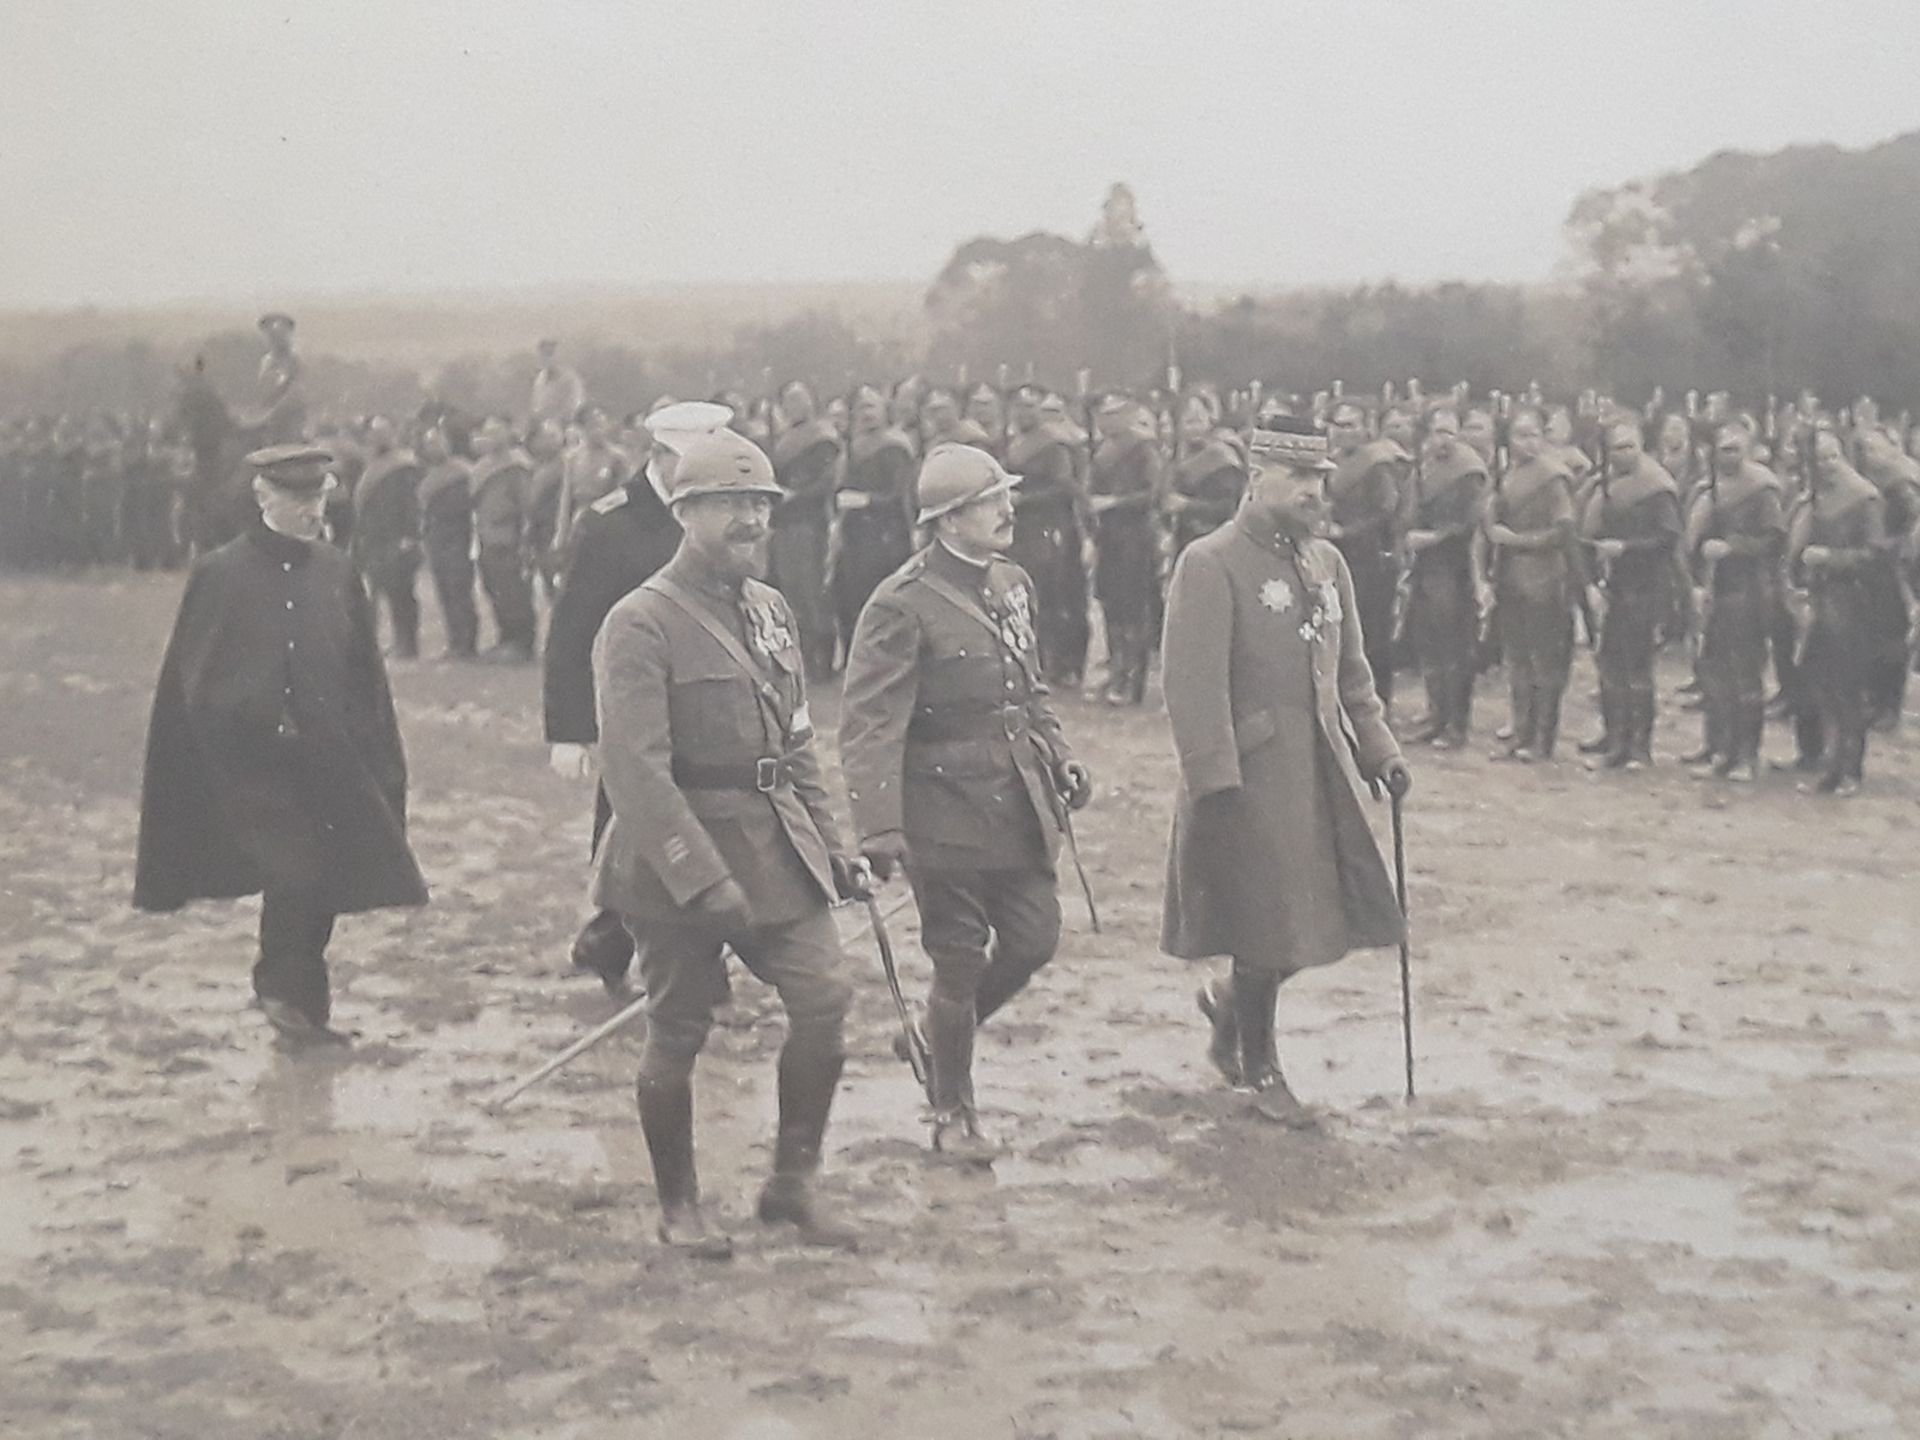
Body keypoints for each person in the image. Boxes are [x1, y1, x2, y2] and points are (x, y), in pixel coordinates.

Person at [592, 429, 866, 1256]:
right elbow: (635, 772)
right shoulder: (639, 622)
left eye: (761, 505)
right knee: (678, 1028)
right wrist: (699, 879)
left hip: (775, 853)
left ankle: (790, 1186)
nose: (750, 520)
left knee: (823, 1000)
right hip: (676, 865)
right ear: (684, 511)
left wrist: (830, 846)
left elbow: (797, 747)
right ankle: (679, 1205)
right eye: (730, 504)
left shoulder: (771, 609)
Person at [840, 442, 1091, 1163]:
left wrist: (1062, 754)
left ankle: (931, 1040)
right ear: (947, 520)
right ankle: (952, 1112)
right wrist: (880, 827)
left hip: (1018, 799)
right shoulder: (902, 604)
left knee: (1035, 940)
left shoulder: (1012, 583)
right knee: (957, 960)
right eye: (989, 501)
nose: (1008, 509)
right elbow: (870, 723)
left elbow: (1030, 687)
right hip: (941, 809)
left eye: (1005, 495)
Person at [1160, 418, 1411, 1125]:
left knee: (1317, 916)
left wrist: (1380, 751)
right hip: (1250, 775)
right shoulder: (1210, 563)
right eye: (1296, 476)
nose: (1312, 491)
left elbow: (1352, 675)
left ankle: (1231, 1009)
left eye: (1320, 478)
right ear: (1255, 477)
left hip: (1320, 771)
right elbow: (1191, 686)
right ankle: (1258, 1066)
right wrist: (1214, 783)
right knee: (1267, 922)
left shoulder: (1328, 564)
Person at [133, 443, 428, 1041]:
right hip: (251, 765)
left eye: (318, 496)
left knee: (324, 875)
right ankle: (283, 992)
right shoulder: (221, 572)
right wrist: (252, 716)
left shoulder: (336, 570)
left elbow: (359, 664)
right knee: (294, 869)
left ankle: (299, 1001)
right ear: (264, 496)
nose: (311, 509)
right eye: (297, 497)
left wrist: (369, 744)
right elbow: (197, 672)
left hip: (328, 754)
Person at [545, 400, 731, 992]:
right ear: (661, 456)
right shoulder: (610, 524)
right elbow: (572, 628)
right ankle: (610, 940)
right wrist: (569, 730)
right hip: (632, 714)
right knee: (628, 833)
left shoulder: (721, 516)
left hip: (707, 709)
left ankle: (680, 955)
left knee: (712, 827)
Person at [1786, 427, 1895, 794]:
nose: (1827, 465)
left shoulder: (1865, 498)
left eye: (1833, 456)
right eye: (1820, 459)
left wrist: (1831, 558)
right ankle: (1831, 766)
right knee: (1823, 687)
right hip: (1819, 599)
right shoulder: (1813, 496)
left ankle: (1851, 770)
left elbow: (1877, 554)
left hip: (1854, 602)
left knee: (1848, 689)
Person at [1681, 423, 1784, 782]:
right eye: (1723, 448)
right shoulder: (1706, 488)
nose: (1729, 455)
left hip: (1749, 592)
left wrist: (1733, 548)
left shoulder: (1762, 490)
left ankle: (1744, 755)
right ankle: (1717, 746)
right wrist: (1695, 582)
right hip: (1715, 593)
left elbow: (1774, 540)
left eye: (1736, 448)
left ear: (1749, 450)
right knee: (1713, 674)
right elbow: (1693, 540)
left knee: (1745, 678)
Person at [1578, 417, 1682, 770]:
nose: (1622, 453)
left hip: (1646, 585)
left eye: (1629, 446)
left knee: (1637, 668)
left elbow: (1668, 538)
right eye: (1616, 447)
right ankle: (1614, 735)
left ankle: (1639, 746)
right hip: (1614, 587)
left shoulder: (1656, 487)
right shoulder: (1603, 483)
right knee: (1609, 665)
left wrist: (1626, 548)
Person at [1482, 407, 1580, 761]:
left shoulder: (1553, 477)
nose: (1528, 442)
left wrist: (1516, 540)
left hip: (1545, 577)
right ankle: (1521, 733)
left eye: (1534, 434)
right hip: (1512, 580)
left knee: (1544, 665)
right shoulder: (1509, 474)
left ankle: (1542, 740)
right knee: (1518, 663)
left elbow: (1564, 531)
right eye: (1521, 435)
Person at [1405, 409, 1490, 748]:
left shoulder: (1468, 473)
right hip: (1425, 568)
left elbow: (1470, 525)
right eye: (1438, 432)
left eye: (1450, 432)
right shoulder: (1424, 468)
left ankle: (1456, 725)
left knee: (1455, 650)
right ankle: (1435, 716)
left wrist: (1433, 538)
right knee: (1431, 648)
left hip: (1454, 567)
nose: (1444, 439)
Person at [1325, 402, 1410, 714]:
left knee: (1373, 636)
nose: (1344, 432)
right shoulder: (1332, 463)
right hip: (1339, 556)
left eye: (1351, 425)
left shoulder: (1376, 463)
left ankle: (1378, 706)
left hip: (1372, 558)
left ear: (1365, 429)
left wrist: (1346, 531)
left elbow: (1386, 510)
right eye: (1339, 425)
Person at [1005, 383, 1090, 687]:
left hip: (1051, 524)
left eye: (1029, 406)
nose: (1023, 412)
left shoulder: (1054, 444)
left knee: (1053, 593)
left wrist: (1024, 500)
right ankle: (1034, 658)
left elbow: (1063, 487)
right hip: (1022, 528)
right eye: (1018, 406)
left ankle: (1060, 663)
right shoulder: (1014, 442)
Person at [1087, 392, 1164, 704]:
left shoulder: (1143, 449)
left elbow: (1153, 494)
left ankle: (1132, 681)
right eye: (1104, 414)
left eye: (1116, 413)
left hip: (1135, 536)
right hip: (1108, 537)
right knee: (1110, 606)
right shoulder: (1102, 449)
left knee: (1133, 608)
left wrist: (1114, 502)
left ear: (1130, 414)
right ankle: (1116, 672)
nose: (1108, 419)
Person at [829, 387, 918, 645]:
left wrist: (865, 500)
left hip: (886, 535)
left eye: (872, 407)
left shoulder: (895, 446)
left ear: (884, 410)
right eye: (861, 408)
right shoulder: (852, 446)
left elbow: (900, 495)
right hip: (855, 536)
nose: (866, 414)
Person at [768, 382, 843, 678]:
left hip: (811, 523)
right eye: (789, 400)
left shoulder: (823, 438)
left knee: (814, 592)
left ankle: (822, 661)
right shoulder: (784, 441)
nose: (795, 405)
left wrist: (796, 496)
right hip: (785, 524)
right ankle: (803, 658)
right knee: (792, 592)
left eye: (800, 398)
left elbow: (828, 482)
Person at [1855, 429, 1920, 729]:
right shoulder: (1872, 477)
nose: (1870, 455)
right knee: (1875, 637)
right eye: (1865, 449)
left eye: (1875, 449)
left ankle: (1890, 707)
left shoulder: (1900, 481)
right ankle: (1877, 701)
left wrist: (1889, 546)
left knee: (1893, 639)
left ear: (1891, 448)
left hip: (1897, 570)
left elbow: (1912, 526)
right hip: (1877, 569)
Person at [351, 416, 424, 658]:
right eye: (375, 433)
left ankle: (408, 643)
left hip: (397, 536)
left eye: (384, 432)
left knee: (401, 592)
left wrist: (410, 535)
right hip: (375, 537)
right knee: (378, 589)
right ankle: (393, 641)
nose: (379, 437)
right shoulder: (370, 467)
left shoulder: (404, 467)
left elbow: (411, 504)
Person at [469, 415, 537, 662]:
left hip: (510, 538)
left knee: (514, 593)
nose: (493, 437)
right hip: (487, 537)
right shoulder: (481, 467)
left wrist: (525, 542)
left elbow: (528, 506)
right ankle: (505, 638)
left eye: (498, 431)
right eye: (489, 432)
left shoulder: (517, 466)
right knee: (494, 591)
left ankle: (522, 642)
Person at [416, 425, 479, 659]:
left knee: (459, 589)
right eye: (430, 443)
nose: (436, 447)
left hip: (458, 536)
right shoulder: (425, 476)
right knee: (444, 592)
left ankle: (466, 643)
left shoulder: (461, 472)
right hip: (436, 538)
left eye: (439, 441)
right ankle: (454, 641)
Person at [1166, 391, 1248, 558]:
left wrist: (1187, 505)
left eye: (1199, 420)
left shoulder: (1221, 456)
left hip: (1217, 541)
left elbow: (1230, 507)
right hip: (1183, 542)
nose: (1194, 428)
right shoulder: (1175, 457)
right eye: (1188, 422)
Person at [251, 313, 307, 446]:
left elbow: (292, 389)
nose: (275, 340)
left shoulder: (294, 360)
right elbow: (263, 387)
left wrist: (274, 411)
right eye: (271, 336)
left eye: (279, 336)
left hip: (291, 414)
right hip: (266, 414)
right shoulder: (265, 361)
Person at [529, 338, 586, 431]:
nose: (546, 358)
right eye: (542, 355)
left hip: (567, 427)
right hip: (543, 428)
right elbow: (536, 405)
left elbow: (573, 407)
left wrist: (556, 422)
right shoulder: (539, 379)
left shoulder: (571, 380)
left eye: (550, 354)